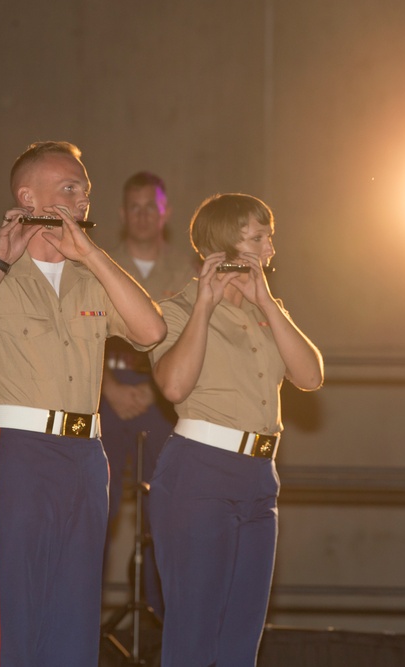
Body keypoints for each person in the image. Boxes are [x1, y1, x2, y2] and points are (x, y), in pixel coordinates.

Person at [0, 140, 167, 666]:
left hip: (86, 456)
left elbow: (151, 331)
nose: (83, 198)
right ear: (26, 195)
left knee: (75, 614)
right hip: (16, 451)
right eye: (69, 187)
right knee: (15, 609)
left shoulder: (92, 274)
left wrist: (93, 255)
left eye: (83, 190)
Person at [148, 193, 324, 666]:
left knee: (242, 638)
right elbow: (173, 385)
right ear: (228, 244)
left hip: (259, 478)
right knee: (194, 633)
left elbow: (310, 377)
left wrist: (266, 301)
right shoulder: (178, 308)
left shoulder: (266, 309)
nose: (270, 249)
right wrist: (205, 306)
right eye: (260, 237)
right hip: (200, 473)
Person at [100, 171, 196, 617]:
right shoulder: (98, 262)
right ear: (122, 214)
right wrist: (111, 388)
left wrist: (157, 389)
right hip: (105, 389)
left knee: (169, 506)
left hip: (164, 397)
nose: (142, 216)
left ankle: (163, 617)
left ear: (166, 213)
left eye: (150, 207)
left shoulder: (187, 270)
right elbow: (78, 335)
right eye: (133, 207)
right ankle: (87, 615)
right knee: (98, 509)